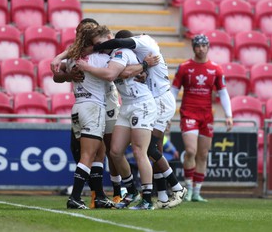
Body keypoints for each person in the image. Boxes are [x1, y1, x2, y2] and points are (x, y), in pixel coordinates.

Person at [92, 30, 187, 209]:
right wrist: (142, 66)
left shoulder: (140, 44)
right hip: (142, 101)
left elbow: (120, 70)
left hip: (155, 100)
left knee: (147, 149)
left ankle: (168, 190)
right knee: (124, 151)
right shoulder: (131, 54)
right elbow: (125, 71)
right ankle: (160, 195)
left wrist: (97, 48)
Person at [77, 25, 158, 210]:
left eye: (100, 43)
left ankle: (147, 198)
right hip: (127, 105)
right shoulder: (111, 56)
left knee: (139, 151)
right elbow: (120, 73)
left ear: (110, 37)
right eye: (95, 45)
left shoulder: (122, 52)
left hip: (141, 103)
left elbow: (111, 74)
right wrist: (141, 67)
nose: (99, 47)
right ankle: (131, 190)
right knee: (114, 151)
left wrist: (88, 67)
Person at [52, 18, 124, 207]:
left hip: (78, 107)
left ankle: (99, 195)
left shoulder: (72, 58)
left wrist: (61, 60)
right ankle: (75, 197)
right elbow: (118, 71)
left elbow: (57, 75)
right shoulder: (102, 58)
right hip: (94, 107)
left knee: (99, 153)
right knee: (89, 155)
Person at [171, 34, 233, 202]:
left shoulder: (216, 69)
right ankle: (189, 189)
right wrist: (168, 114)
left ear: (208, 47)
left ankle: (197, 192)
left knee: (203, 154)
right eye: (198, 46)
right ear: (193, 47)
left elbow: (223, 93)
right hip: (189, 113)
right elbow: (174, 91)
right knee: (190, 151)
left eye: (204, 45)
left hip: (206, 116)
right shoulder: (184, 67)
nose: (201, 48)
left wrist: (229, 115)